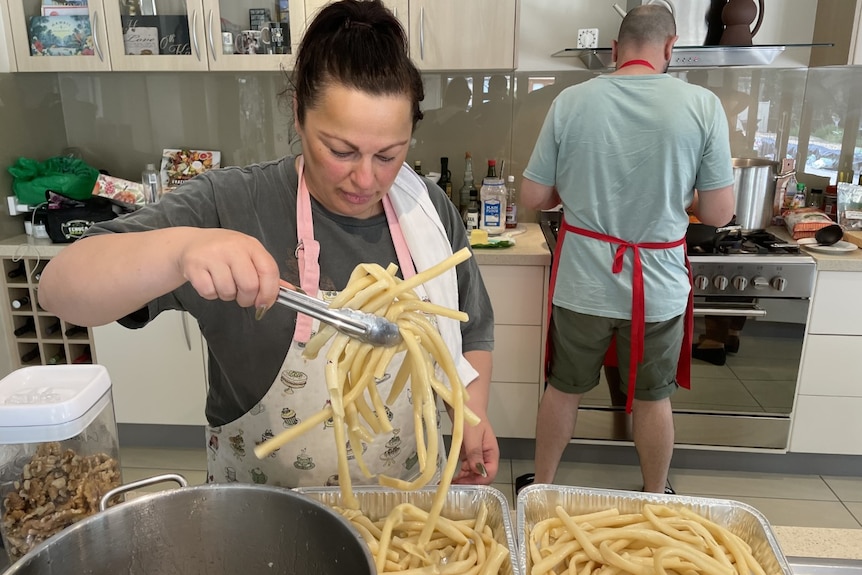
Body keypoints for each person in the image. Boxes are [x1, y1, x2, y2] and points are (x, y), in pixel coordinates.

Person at [38, 0, 498, 489]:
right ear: (297, 113)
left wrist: (470, 418)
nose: (366, 178)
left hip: (398, 514)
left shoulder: (425, 210)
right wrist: (180, 250)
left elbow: (469, 331)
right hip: (262, 517)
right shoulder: (233, 202)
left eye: (389, 154)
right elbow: (60, 288)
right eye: (341, 150)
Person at [519, 5, 735, 494]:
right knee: (654, 400)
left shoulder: (572, 102)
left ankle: (543, 488)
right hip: (658, 289)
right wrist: (684, 193)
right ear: (670, 48)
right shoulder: (702, 106)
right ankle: (655, 497)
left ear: (614, 52)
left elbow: (533, 197)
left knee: (563, 390)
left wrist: (568, 191)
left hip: (582, 286)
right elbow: (720, 214)